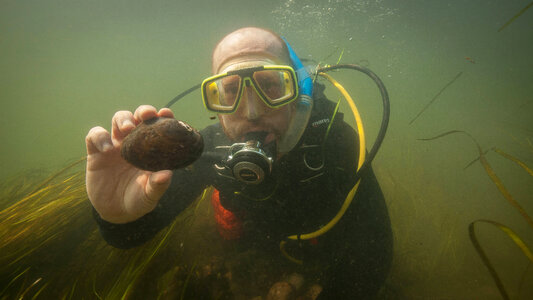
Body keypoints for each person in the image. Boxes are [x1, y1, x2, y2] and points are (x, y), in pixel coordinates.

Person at [85, 27, 392, 299]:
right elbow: (127, 236)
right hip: (254, 243)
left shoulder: (335, 145)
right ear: (216, 103)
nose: (252, 111)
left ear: (297, 93)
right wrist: (114, 216)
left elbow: (374, 259)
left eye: (271, 85)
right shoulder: (209, 149)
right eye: (230, 91)